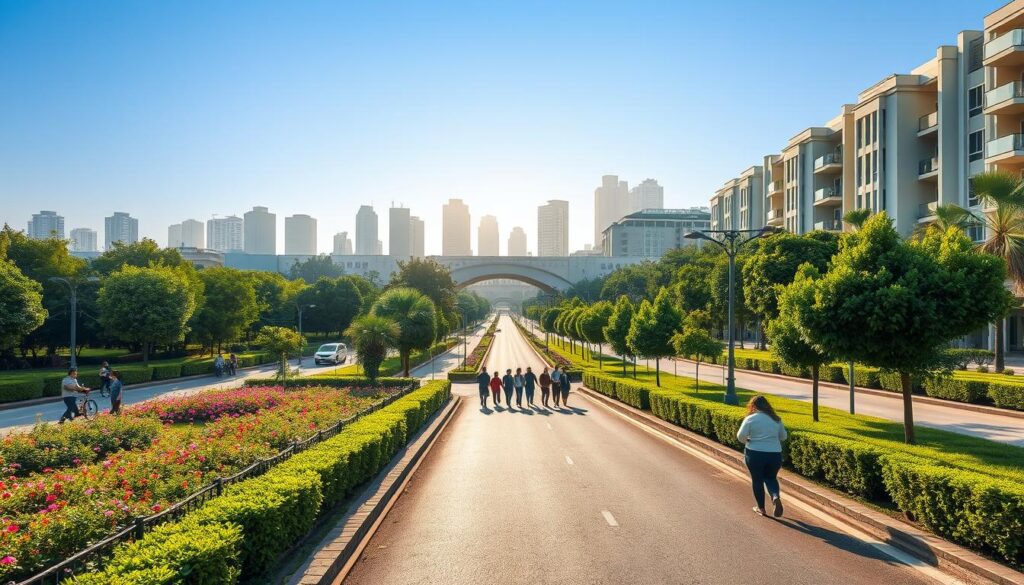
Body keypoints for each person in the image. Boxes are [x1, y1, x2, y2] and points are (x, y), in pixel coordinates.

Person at [736, 395, 788, 518]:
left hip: (755, 453)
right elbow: (783, 436)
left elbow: (740, 436)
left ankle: (761, 508)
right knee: (771, 478)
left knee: (757, 480)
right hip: (775, 454)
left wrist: (748, 440)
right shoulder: (776, 419)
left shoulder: (750, 419)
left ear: (753, 406)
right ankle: (775, 497)